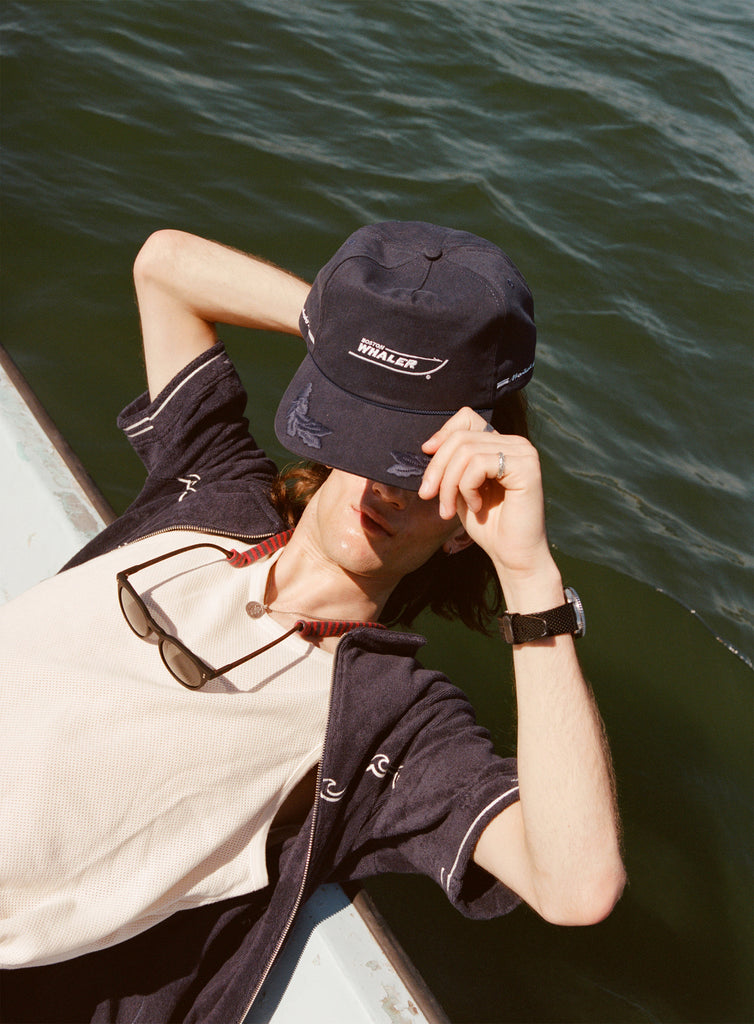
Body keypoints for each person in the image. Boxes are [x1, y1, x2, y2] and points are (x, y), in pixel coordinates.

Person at [0, 221, 625, 1023]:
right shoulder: (212, 487)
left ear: (467, 516)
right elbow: (166, 269)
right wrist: (372, 356)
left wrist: (530, 576)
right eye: (379, 439)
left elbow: (576, 885)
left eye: (423, 466)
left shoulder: (387, 717)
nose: (386, 487)